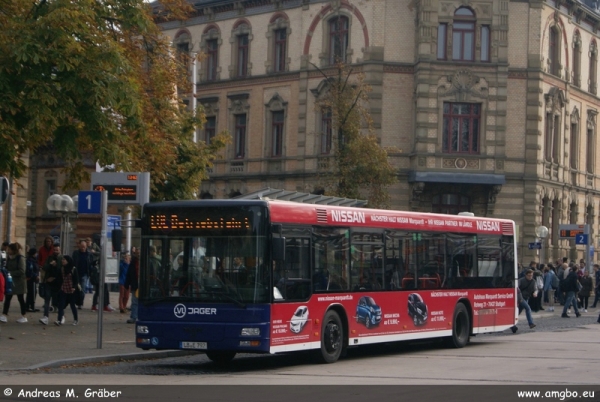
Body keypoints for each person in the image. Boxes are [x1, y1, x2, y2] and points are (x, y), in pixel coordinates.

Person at [0, 242, 28, 323]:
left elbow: (22, 271)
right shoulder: (9, 257)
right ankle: (4, 315)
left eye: (9, 249)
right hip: (11, 281)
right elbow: (7, 267)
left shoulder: (20, 258)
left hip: (19, 282)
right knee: (8, 298)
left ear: (13, 250)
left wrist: (10, 273)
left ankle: (24, 316)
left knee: (20, 299)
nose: (8, 251)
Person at [39, 244, 62, 325]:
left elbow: (62, 270)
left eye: (57, 250)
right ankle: (45, 317)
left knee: (57, 302)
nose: (55, 251)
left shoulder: (62, 258)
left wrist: (56, 265)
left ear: (60, 250)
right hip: (48, 282)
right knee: (47, 300)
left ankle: (61, 317)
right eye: (54, 250)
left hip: (58, 283)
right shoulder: (49, 258)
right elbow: (44, 267)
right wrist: (50, 265)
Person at [55, 255, 80, 326]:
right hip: (64, 289)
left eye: (64, 260)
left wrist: (74, 287)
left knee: (72, 306)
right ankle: (59, 320)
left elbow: (76, 280)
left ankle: (75, 319)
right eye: (62, 259)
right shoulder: (61, 269)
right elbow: (59, 279)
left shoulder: (73, 269)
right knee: (61, 305)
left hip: (71, 290)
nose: (63, 261)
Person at [510, 269, 537, 333]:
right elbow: (516, 288)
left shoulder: (533, 281)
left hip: (526, 297)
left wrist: (535, 293)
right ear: (526, 275)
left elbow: (535, 289)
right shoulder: (521, 280)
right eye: (529, 275)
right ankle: (531, 323)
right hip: (520, 298)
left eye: (531, 275)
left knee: (518, 312)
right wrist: (519, 298)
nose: (530, 277)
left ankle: (512, 325)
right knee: (528, 308)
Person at [72, 239, 93, 309]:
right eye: (81, 246)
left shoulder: (89, 254)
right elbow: (73, 262)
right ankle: (75, 302)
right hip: (76, 273)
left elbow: (90, 264)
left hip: (85, 274)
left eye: (84, 246)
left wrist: (90, 272)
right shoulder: (75, 253)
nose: (83, 248)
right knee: (76, 288)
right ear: (79, 246)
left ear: (86, 246)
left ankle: (80, 303)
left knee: (82, 289)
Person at [125, 248, 140, 324]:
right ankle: (134, 317)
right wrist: (127, 284)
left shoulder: (148, 262)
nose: (138, 255)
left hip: (144, 285)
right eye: (137, 253)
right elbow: (129, 274)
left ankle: (139, 316)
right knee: (134, 301)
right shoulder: (133, 263)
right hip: (135, 284)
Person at [25, 247, 39, 312]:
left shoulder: (33, 260)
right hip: (31, 279)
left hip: (33, 278)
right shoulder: (30, 260)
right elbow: (30, 270)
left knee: (32, 292)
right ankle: (30, 306)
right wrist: (35, 275)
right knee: (32, 293)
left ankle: (29, 306)